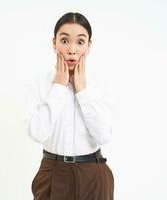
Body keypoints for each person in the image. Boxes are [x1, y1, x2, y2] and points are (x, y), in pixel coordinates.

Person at [24, 12, 115, 200]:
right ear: (54, 43)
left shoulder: (100, 86)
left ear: (89, 46)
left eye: (80, 42)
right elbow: (37, 133)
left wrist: (82, 91)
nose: (72, 50)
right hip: (52, 172)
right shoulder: (40, 84)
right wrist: (58, 86)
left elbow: (104, 135)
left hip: (93, 173)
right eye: (64, 41)